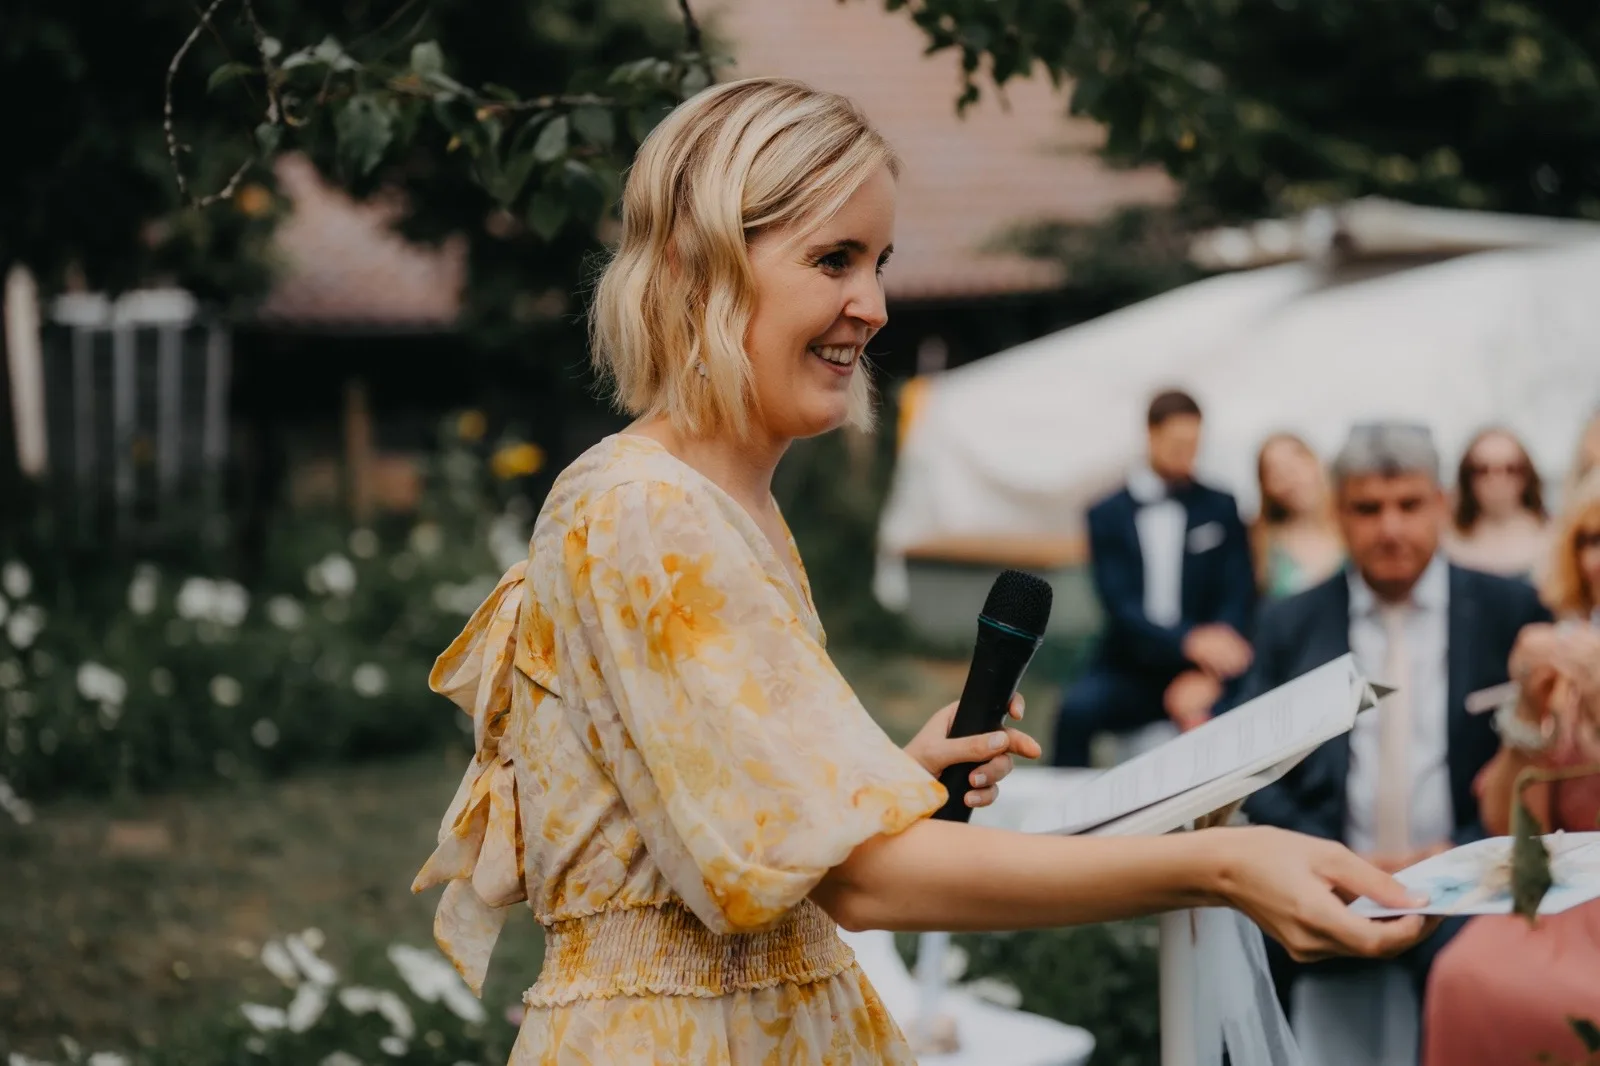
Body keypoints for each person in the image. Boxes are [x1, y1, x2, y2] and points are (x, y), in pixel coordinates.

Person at [412, 78, 1434, 1066]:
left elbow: (736, 842)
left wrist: (888, 783)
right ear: (696, 268)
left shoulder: (730, 505)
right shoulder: (645, 510)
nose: (875, 304)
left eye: (880, 261)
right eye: (833, 259)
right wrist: (1221, 865)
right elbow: (860, 882)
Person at [1234, 421, 1552, 1063]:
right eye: (1368, 508)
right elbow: (1249, 769)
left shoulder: (1509, 610)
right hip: (1324, 889)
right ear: (1339, 511)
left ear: (1440, 502)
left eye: (1408, 505)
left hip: (1474, 889)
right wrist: (1331, 860)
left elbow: (1539, 761)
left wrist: (1459, 854)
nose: (1390, 528)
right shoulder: (1289, 621)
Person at [1422, 471, 1600, 1066]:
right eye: (1591, 539)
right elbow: (1507, 823)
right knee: (1462, 973)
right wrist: (1527, 705)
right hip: (1565, 891)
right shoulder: (1561, 649)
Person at [1050, 390, 1258, 767]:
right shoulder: (1106, 513)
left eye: (1194, 445)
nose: (1187, 455)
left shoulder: (1222, 506)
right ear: (1151, 435)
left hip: (1205, 666)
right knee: (1075, 712)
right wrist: (1186, 641)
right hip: (1131, 662)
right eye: (1178, 444)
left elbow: (1237, 589)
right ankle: (1065, 819)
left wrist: (1211, 665)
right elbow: (1119, 603)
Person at [1443, 426, 1550, 580]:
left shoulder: (1555, 539)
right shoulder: (1444, 541)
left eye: (1510, 469)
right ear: (1467, 477)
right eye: (1482, 470)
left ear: (1527, 475)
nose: (1497, 480)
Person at [1252, 432, 1344, 600]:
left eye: (1295, 464)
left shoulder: (1353, 530)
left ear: (1314, 463)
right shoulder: (1259, 546)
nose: (1290, 478)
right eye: (1276, 472)